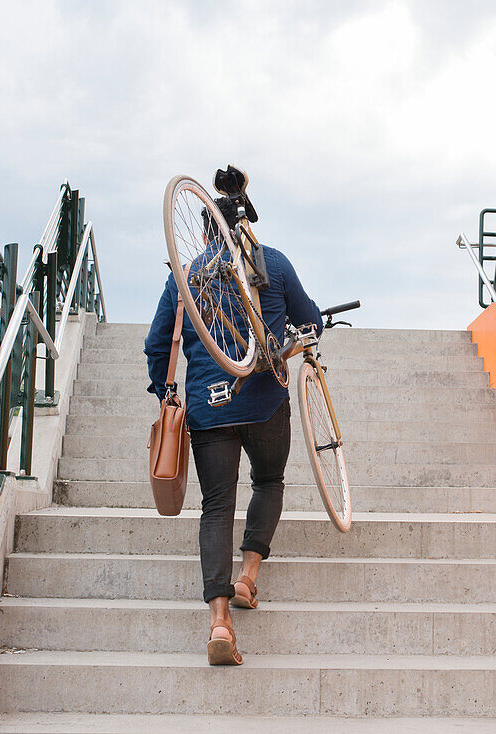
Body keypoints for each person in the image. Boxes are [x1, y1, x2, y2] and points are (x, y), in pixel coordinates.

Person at [144, 173, 322, 665]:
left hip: (208, 405)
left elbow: (158, 344)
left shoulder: (185, 276)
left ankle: (220, 622)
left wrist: (165, 391)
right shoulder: (276, 264)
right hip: (264, 401)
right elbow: (309, 321)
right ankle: (248, 575)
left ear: (205, 232)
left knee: (217, 506)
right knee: (268, 480)